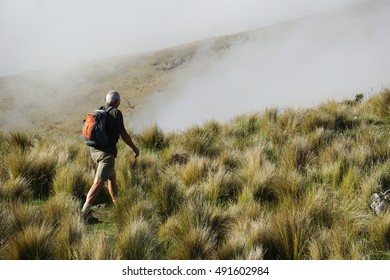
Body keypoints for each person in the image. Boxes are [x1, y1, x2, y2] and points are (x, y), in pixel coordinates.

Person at [81, 90, 139, 223]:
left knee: (111, 177)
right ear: (117, 102)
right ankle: (83, 213)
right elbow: (123, 134)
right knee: (98, 182)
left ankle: (118, 206)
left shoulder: (99, 110)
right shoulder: (116, 113)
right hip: (106, 155)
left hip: (94, 151)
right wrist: (135, 148)